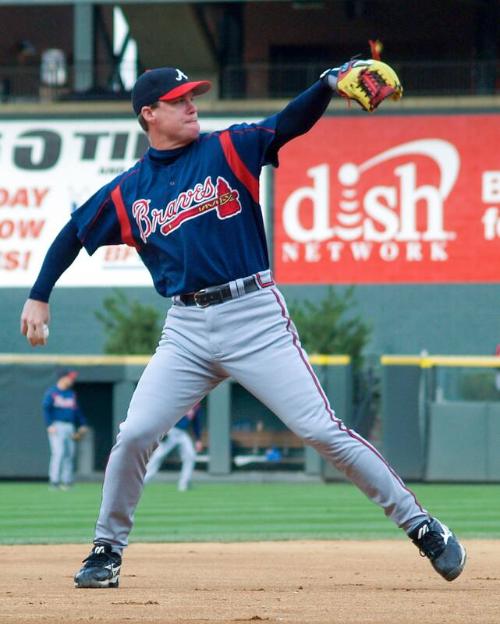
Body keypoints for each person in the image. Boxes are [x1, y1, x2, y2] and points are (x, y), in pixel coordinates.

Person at [20, 63, 466, 589]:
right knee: (135, 433)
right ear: (149, 113)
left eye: (193, 97)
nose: (192, 106)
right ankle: (105, 550)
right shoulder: (129, 191)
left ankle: (422, 526)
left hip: (253, 314)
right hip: (185, 328)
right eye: (179, 100)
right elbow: (73, 232)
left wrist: (325, 84)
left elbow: (287, 123)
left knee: (320, 429)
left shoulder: (228, 148)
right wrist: (39, 295)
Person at [42, 369, 88, 490]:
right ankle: (54, 481)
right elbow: (46, 408)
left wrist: (83, 424)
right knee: (59, 453)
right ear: (63, 378)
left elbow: (77, 411)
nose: (72, 379)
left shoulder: (71, 394)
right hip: (57, 426)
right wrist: (49, 425)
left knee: (69, 454)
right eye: (70, 377)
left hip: (70, 426)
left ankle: (67, 481)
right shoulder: (52, 392)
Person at [144, 401, 204, 491]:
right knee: (158, 456)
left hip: (182, 433)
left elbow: (196, 424)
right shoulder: (183, 400)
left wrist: (198, 440)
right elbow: (167, 414)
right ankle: (143, 480)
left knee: (190, 455)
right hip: (171, 430)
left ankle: (183, 484)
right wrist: (164, 431)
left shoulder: (196, 406)